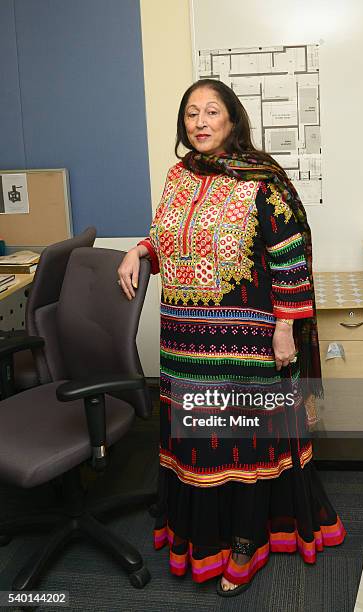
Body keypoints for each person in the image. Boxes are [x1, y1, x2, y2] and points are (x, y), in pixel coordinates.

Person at [118, 79, 346, 596]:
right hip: (183, 344)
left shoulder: (261, 179)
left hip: (244, 345)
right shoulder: (179, 177)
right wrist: (139, 251)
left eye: (211, 112)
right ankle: (201, 537)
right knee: (198, 442)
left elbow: (290, 253)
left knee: (241, 441)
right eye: (191, 113)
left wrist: (286, 326)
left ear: (232, 120)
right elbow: (169, 235)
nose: (199, 122)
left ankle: (246, 542)